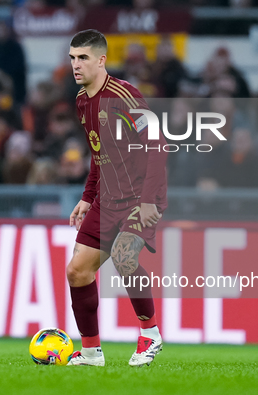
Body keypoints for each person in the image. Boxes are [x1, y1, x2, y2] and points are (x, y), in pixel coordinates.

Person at [66, 30, 167, 367]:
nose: (76, 65)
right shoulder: (82, 99)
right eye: (72, 58)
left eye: (82, 58)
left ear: (101, 60)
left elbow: (157, 145)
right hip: (107, 199)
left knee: (124, 256)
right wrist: (87, 196)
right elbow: (99, 154)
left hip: (140, 198)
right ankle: (92, 353)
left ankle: (150, 336)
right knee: (77, 272)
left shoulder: (124, 95)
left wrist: (149, 200)